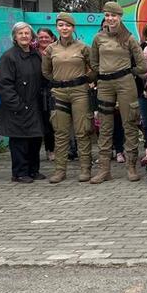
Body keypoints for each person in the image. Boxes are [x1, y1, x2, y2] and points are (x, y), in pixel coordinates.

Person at [89, 2, 147, 183]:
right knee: (105, 126)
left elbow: (142, 66)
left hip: (125, 83)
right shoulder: (98, 38)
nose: (110, 18)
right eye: (107, 15)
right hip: (105, 84)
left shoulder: (129, 38)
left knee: (129, 123)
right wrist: (105, 72)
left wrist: (127, 72)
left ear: (120, 17)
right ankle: (104, 169)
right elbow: (94, 63)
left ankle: (131, 167)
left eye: (113, 15)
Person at [41, 12, 94, 183]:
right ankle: (60, 170)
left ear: (73, 28)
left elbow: (94, 68)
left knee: (82, 131)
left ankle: (85, 168)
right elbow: (46, 71)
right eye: (61, 25)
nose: (64, 28)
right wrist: (59, 81)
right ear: (57, 28)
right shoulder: (51, 49)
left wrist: (85, 80)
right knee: (60, 132)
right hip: (59, 92)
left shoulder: (83, 48)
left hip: (79, 91)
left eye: (68, 25)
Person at [0, 22, 46, 184]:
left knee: (35, 139)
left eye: (27, 33)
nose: (24, 36)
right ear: (14, 37)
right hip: (17, 107)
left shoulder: (36, 55)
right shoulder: (9, 57)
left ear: (32, 36)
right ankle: (19, 172)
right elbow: (2, 83)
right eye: (20, 33)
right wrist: (17, 104)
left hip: (35, 106)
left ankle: (33, 170)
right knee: (19, 141)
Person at [35, 28, 57, 160]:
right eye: (40, 37)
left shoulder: (56, 51)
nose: (43, 39)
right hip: (37, 91)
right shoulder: (33, 53)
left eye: (46, 37)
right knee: (40, 121)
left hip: (53, 90)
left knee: (52, 121)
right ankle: (43, 150)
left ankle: (52, 149)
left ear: (52, 38)